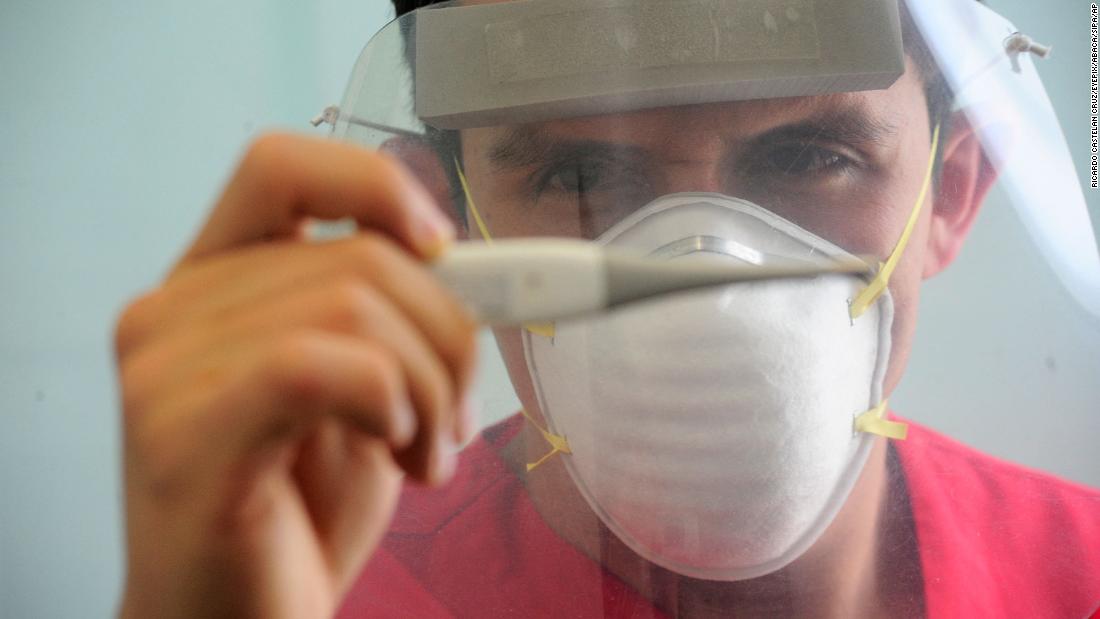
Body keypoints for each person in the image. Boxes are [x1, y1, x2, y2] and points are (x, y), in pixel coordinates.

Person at [115, 0, 1100, 617]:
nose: (707, 285)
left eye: (809, 157)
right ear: (435, 225)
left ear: (953, 190)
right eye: (579, 172)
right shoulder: (310, 590)